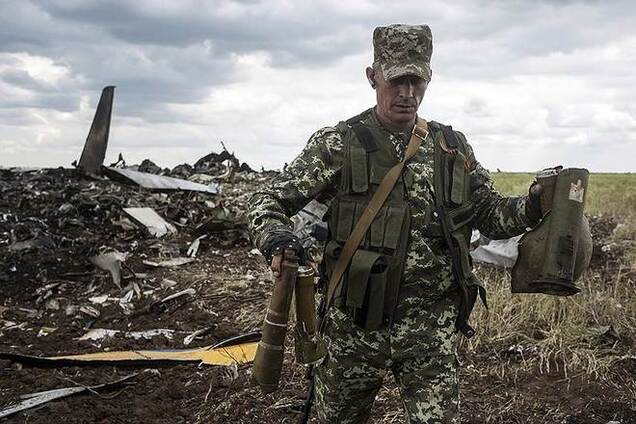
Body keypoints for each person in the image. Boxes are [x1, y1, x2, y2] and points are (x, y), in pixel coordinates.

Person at [248, 24, 542, 424]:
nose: (407, 93)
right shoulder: (338, 143)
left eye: (416, 80)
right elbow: (267, 199)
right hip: (353, 326)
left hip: (429, 329)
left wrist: (533, 205)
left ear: (429, 78)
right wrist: (277, 238)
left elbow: (490, 213)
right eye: (396, 79)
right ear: (373, 76)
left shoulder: (451, 147)